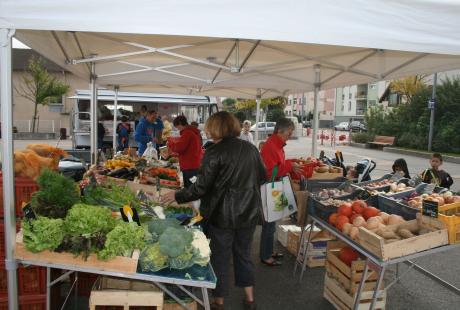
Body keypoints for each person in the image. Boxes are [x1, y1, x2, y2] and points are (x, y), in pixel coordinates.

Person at [162, 111, 265, 310]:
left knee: (220, 257)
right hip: (249, 212)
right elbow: (263, 175)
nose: (206, 130)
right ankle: (250, 299)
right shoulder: (250, 148)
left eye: (209, 126)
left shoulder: (214, 152)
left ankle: (219, 302)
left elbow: (201, 188)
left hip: (222, 214)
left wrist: (177, 195)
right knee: (244, 255)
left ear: (216, 128)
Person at [259, 118, 302, 266]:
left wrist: (289, 164)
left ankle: (269, 251)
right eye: (289, 133)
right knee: (269, 223)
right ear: (280, 131)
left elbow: (278, 165)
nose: (290, 136)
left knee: (273, 221)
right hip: (271, 186)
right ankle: (265, 255)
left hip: (275, 186)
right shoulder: (271, 146)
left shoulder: (276, 144)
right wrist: (289, 166)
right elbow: (270, 172)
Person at [167, 116, 203, 188]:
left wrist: (170, 143)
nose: (178, 129)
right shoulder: (193, 132)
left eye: (177, 127)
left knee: (189, 188)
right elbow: (188, 148)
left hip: (189, 166)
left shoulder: (187, 133)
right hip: (194, 164)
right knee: (193, 187)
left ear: (180, 123)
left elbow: (179, 147)